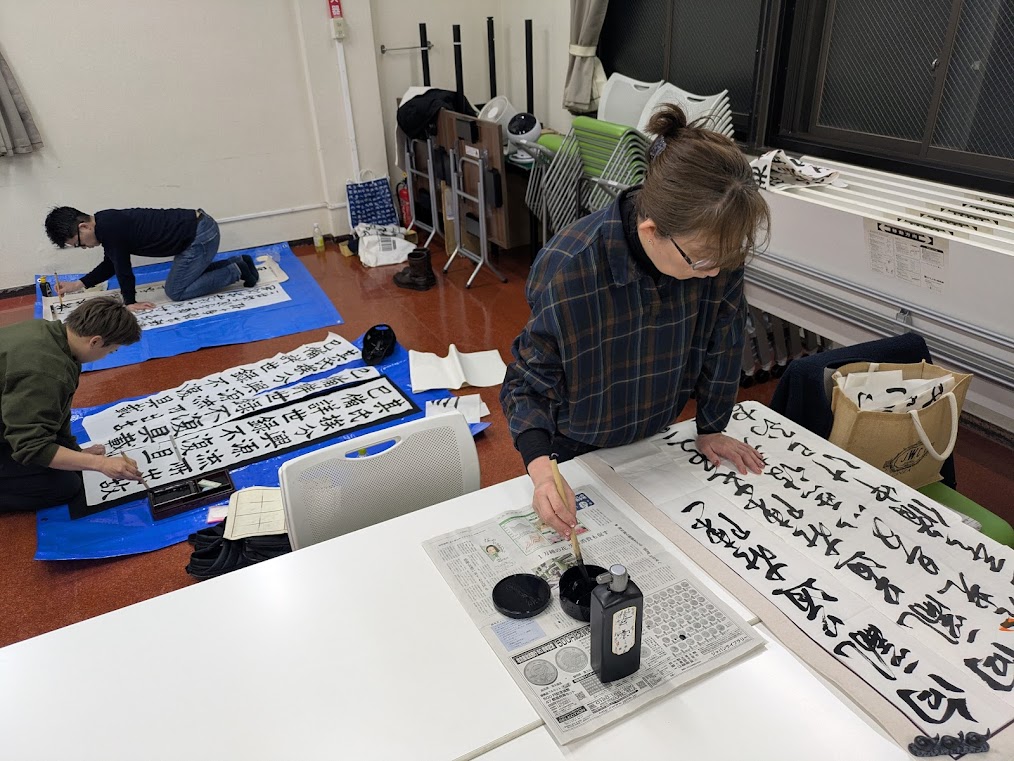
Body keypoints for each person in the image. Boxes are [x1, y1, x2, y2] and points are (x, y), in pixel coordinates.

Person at [500, 104, 771, 540]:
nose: (715, 273)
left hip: (654, 436)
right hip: (577, 441)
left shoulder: (714, 253)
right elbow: (528, 383)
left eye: (725, 260)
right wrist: (543, 470)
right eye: (701, 261)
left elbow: (724, 340)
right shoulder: (570, 266)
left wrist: (711, 427)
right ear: (650, 231)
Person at [0, 297, 145, 511]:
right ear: (95, 341)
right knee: (64, 486)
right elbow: (30, 447)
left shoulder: (51, 335)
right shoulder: (45, 371)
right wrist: (100, 464)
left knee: (68, 463)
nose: (107, 356)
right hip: (13, 428)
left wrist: (75, 451)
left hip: (10, 410)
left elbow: (57, 411)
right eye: (111, 351)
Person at [43, 206, 259, 312]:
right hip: (196, 230)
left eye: (79, 243)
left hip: (199, 236)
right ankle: (238, 263)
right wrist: (77, 285)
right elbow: (111, 263)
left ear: (84, 227)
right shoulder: (104, 220)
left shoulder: (109, 229)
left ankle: (236, 271)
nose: (84, 247)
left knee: (176, 291)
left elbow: (122, 268)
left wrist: (130, 302)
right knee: (183, 280)